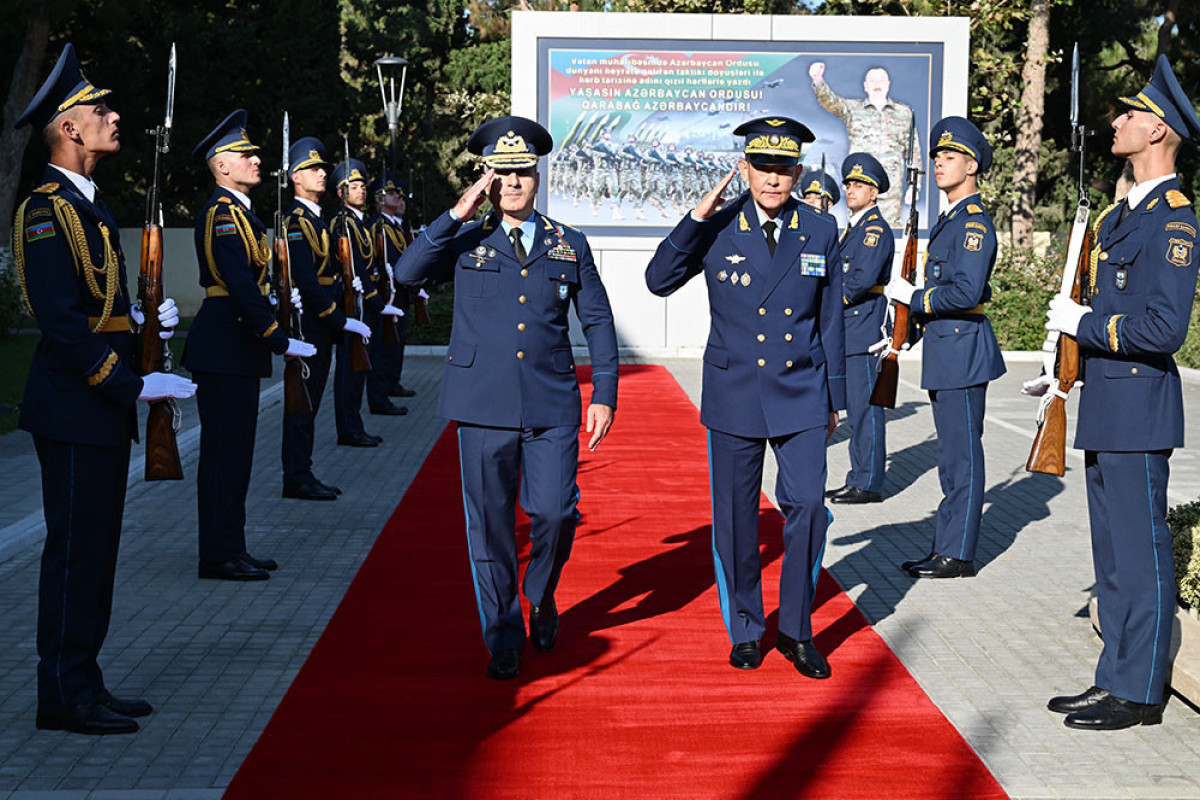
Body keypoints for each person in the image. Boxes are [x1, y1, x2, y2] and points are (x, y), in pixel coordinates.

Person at [395, 116, 619, 680]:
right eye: (500, 173)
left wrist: (605, 394)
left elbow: (596, 319)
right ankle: (502, 631)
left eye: (521, 172)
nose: (512, 183)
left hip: (551, 402)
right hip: (483, 404)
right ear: (486, 181)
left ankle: (540, 594)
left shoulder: (570, 243)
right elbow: (406, 273)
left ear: (537, 176)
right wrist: (457, 211)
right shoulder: (465, 237)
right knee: (490, 525)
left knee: (555, 513)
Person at [15, 43, 193, 734]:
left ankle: (83, 678)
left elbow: (100, 306)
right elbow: (61, 323)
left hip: (95, 412)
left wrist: (147, 319)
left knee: (97, 553)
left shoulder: (90, 205)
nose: (114, 117)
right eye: (101, 109)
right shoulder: (46, 210)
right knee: (73, 555)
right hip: (74, 408)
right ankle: (61, 694)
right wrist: (130, 384)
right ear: (68, 128)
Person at [645, 117, 845, 679]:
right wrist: (698, 215)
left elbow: (831, 319)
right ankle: (747, 629)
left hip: (802, 389)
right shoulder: (717, 226)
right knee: (734, 517)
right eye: (763, 168)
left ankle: (798, 630)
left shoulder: (821, 230)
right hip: (735, 390)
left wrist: (837, 397)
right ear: (744, 169)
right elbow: (658, 279)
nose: (774, 179)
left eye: (784, 169)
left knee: (807, 506)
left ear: (798, 172)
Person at [1041, 55, 1200, 730]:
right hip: (1105, 403)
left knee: (1142, 557)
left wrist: (1085, 324)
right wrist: (1063, 365)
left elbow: (1163, 328)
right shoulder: (1116, 217)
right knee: (1111, 559)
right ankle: (1114, 677)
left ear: (1159, 131)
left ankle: (1141, 692)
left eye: (1130, 115)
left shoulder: (1173, 219)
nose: (1117, 123)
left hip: (1139, 408)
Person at [184, 110, 316, 581]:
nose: (256, 159)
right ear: (221, 166)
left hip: (237, 346)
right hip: (225, 344)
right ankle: (217, 554)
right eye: (246, 155)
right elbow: (240, 284)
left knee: (236, 456)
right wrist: (279, 339)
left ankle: (231, 546)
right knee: (223, 456)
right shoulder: (222, 214)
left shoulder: (242, 212)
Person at [887, 117, 1005, 579]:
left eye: (949, 157)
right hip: (945, 350)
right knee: (951, 458)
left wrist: (912, 299)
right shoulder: (950, 220)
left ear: (972, 165)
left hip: (962, 354)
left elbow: (965, 292)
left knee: (962, 456)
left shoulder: (973, 223)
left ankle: (957, 553)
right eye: (936, 157)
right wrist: (905, 330)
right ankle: (946, 544)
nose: (939, 163)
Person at [279, 136, 372, 500]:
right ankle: (296, 476)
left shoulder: (317, 222)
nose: (321, 173)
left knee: (311, 401)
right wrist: (338, 318)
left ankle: (303, 470)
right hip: (309, 324)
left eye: (321, 168)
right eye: (312, 169)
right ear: (295, 178)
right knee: (301, 402)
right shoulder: (295, 223)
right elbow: (305, 280)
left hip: (320, 324)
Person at [827, 154, 894, 504]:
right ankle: (858, 475)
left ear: (874, 193)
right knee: (856, 407)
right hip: (849, 330)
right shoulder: (853, 230)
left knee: (866, 410)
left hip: (864, 329)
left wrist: (822, 302)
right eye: (849, 184)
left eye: (860, 185)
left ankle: (867, 482)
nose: (851, 190)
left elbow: (858, 281)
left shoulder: (874, 230)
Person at [331, 157, 404, 442]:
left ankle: (355, 426)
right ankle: (348, 428)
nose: (361, 190)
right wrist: (376, 302)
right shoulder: (342, 222)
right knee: (350, 371)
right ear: (341, 193)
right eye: (354, 186)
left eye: (363, 185)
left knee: (360, 369)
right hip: (354, 304)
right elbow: (354, 268)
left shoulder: (359, 223)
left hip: (366, 303)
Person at [809, 63, 917, 228]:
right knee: (858, 236)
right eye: (872, 81)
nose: (877, 84)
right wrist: (818, 81)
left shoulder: (904, 113)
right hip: (860, 188)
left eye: (881, 80)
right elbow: (831, 102)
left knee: (890, 240)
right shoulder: (853, 109)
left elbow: (913, 151)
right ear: (865, 86)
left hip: (891, 194)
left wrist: (914, 186)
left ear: (888, 84)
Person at [368, 171, 416, 406]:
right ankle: (380, 394)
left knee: (395, 346)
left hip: (399, 292)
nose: (398, 197)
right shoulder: (379, 225)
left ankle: (390, 385)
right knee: (383, 349)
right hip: (387, 294)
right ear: (378, 198)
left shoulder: (394, 227)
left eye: (398, 193)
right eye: (392, 193)